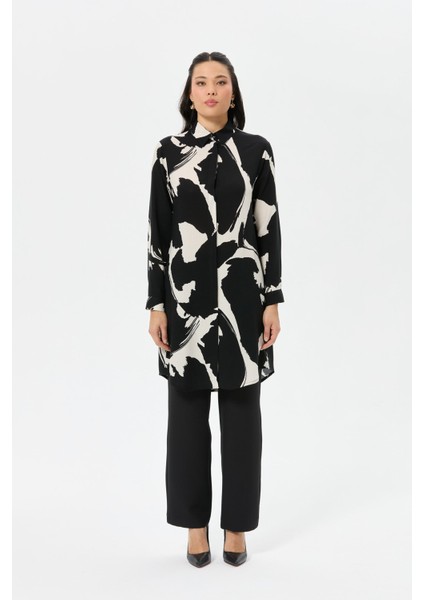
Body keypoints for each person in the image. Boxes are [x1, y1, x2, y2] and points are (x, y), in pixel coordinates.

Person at [145, 51, 284, 567]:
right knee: (186, 422)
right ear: (189, 94)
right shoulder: (168, 153)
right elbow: (158, 233)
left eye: (220, 82)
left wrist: (273, 298)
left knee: (243, 421)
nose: (210, 90)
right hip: (184, 304)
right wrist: (156, 304)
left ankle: (237, 528)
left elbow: (268, 227)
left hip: (244, 302)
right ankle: (194, 527)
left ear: (232, 92)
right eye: (201, 82)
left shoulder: (256, 151)